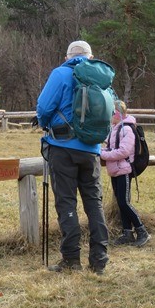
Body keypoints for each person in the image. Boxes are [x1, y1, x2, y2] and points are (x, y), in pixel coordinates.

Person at [36, 41, 109, 274]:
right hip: (92, 149)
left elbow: (44, 106)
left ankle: (71, 259)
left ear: (67, 57)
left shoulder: (61, 73)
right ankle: (99, 259)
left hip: (63, 146)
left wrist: (44, 123)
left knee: (67, 202)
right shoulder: (101, 78)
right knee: (94, 203)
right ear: (90, 56)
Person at [100, 100, 151, 247]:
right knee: (121, 203)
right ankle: (127, 232)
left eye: (111, 113)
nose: (109, 116)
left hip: (124, 170)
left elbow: (123, 151)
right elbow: (111, 145)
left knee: (124, 203)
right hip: (115, 170)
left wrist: (102, 155)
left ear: (117, 113)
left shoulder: (126, 129)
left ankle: (142, 231)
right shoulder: (116, 128)